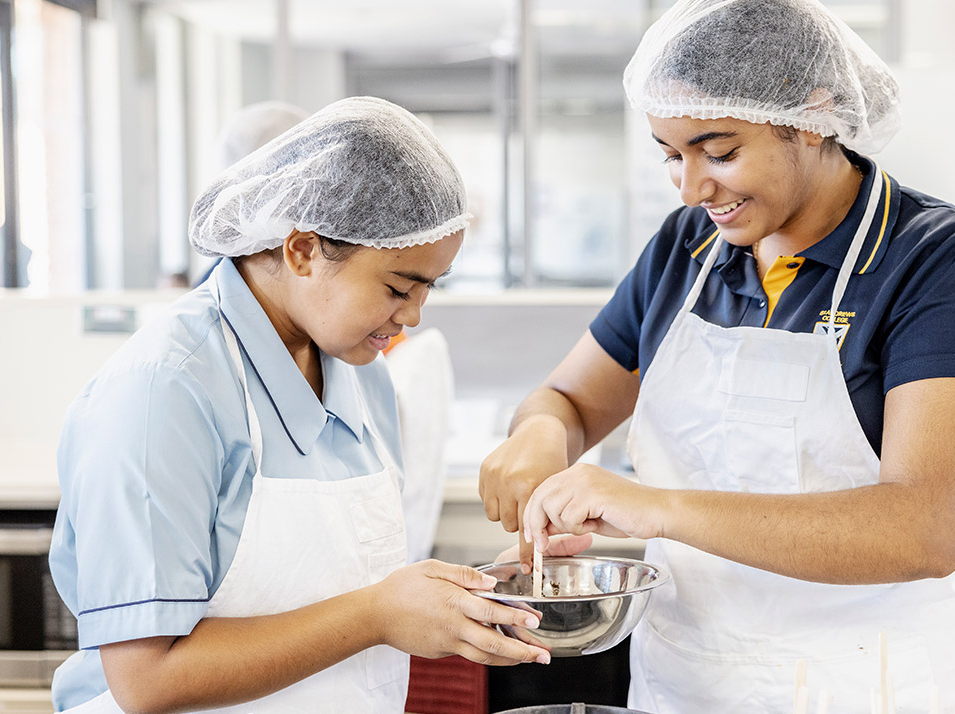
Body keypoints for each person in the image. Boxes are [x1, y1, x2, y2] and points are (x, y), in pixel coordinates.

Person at [479, 0, 955, 710]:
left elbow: (926, 528)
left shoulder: (936, 258)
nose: (694, 187)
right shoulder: (686, 248)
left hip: (866, 679)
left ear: (812, 118)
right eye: (672, 155)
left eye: (721, 152)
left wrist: (655, 508)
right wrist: (542, 435)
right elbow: (569, 400)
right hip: (693, 676)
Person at [49, 96, 588, 714]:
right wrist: (378, 615)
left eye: (428, 288)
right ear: (302, 250)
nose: (413, 316)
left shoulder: (360, 374)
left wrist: (474, 595)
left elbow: (348, 586)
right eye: (397, 287)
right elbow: (149, 681)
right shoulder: (162, 393)